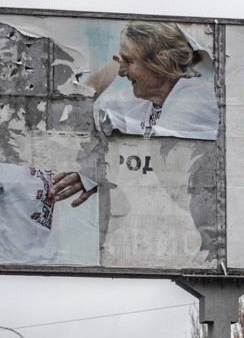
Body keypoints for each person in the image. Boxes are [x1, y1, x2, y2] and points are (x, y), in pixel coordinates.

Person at [50, 20, 219, 205]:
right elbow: (72, 118)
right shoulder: (145, 102)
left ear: (162, 60)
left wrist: (98, 169)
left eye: (129, 62)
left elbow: (153, 160)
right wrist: (114, 66)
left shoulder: (196, 98)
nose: (122, 72)